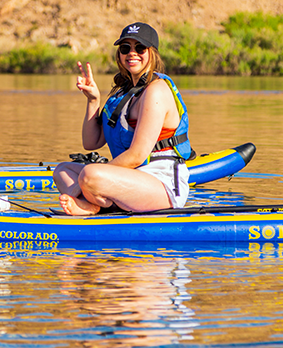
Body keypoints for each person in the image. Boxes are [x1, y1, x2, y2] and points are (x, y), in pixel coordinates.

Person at [53, 22, 193, 215]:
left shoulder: (156, 91)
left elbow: (137, 155)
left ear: (152, 53)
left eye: (140, 48)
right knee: (62, 170)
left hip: (162, 183)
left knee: (89, 175)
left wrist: (85, 183)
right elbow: (90, 142)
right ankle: (93, 204)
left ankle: (87, 202)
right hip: (131, 178)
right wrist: (94, 100)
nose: (132, 53)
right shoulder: (123, 94)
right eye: (125, 48)